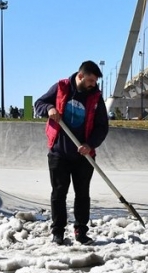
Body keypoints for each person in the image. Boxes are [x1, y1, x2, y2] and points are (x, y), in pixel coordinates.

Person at [34, 60, 109, 245]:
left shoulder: (96, 96)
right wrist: (49, 108)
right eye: (91, 80)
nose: (94, 84)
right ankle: (58, 231)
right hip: (59, 152)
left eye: (95, 81)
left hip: (84, 155)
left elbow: (102, 127)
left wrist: (90, 145)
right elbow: (39, 103)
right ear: (81, 76)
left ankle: (81, 231)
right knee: (59, 193)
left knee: (82, 194)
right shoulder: (62, 87)